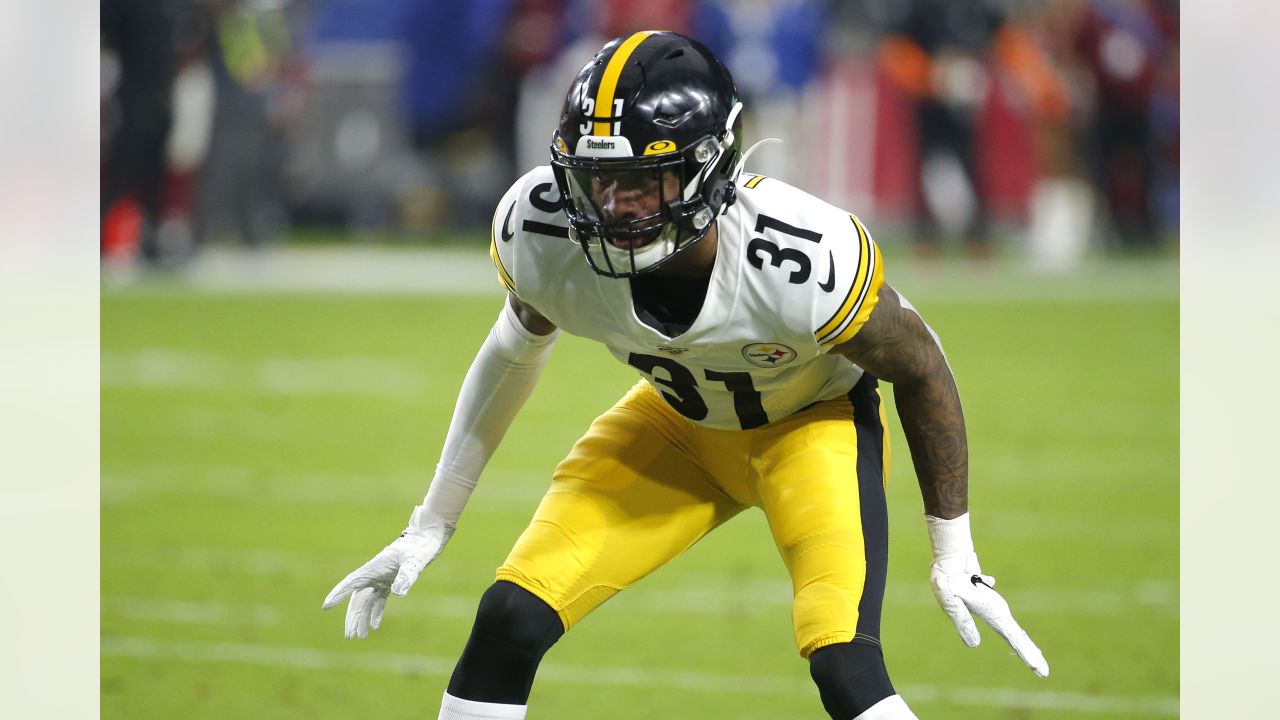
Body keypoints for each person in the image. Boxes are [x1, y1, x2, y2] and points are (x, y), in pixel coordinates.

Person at [323, 31, 1047, 720]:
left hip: (812, 429)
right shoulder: (545, 230)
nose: (615, 204)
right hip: (675, 429)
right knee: (510, 616)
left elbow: (921, 366)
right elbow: (513, 349)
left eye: (642, 179)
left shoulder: (797, 258)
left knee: (844, 666)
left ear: (709, 164)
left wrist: (956, 553)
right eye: (598, 178)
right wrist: (432, 523)